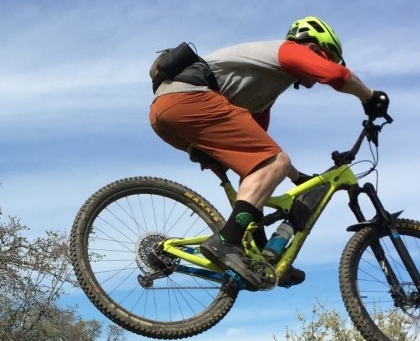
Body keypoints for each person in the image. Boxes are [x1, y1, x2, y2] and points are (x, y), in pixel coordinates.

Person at [149, 16, 389, 288]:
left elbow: (260, 143)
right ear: (313, 46)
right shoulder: (287, 51)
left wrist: (297, 178)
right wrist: (370, 97)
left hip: (166, 113)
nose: (329, 63)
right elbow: (336, 76)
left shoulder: (263, 89)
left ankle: (260, 257)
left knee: (259, 172)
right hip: (190, 100)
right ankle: (227, 241)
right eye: (329, 56)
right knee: (273, 163)